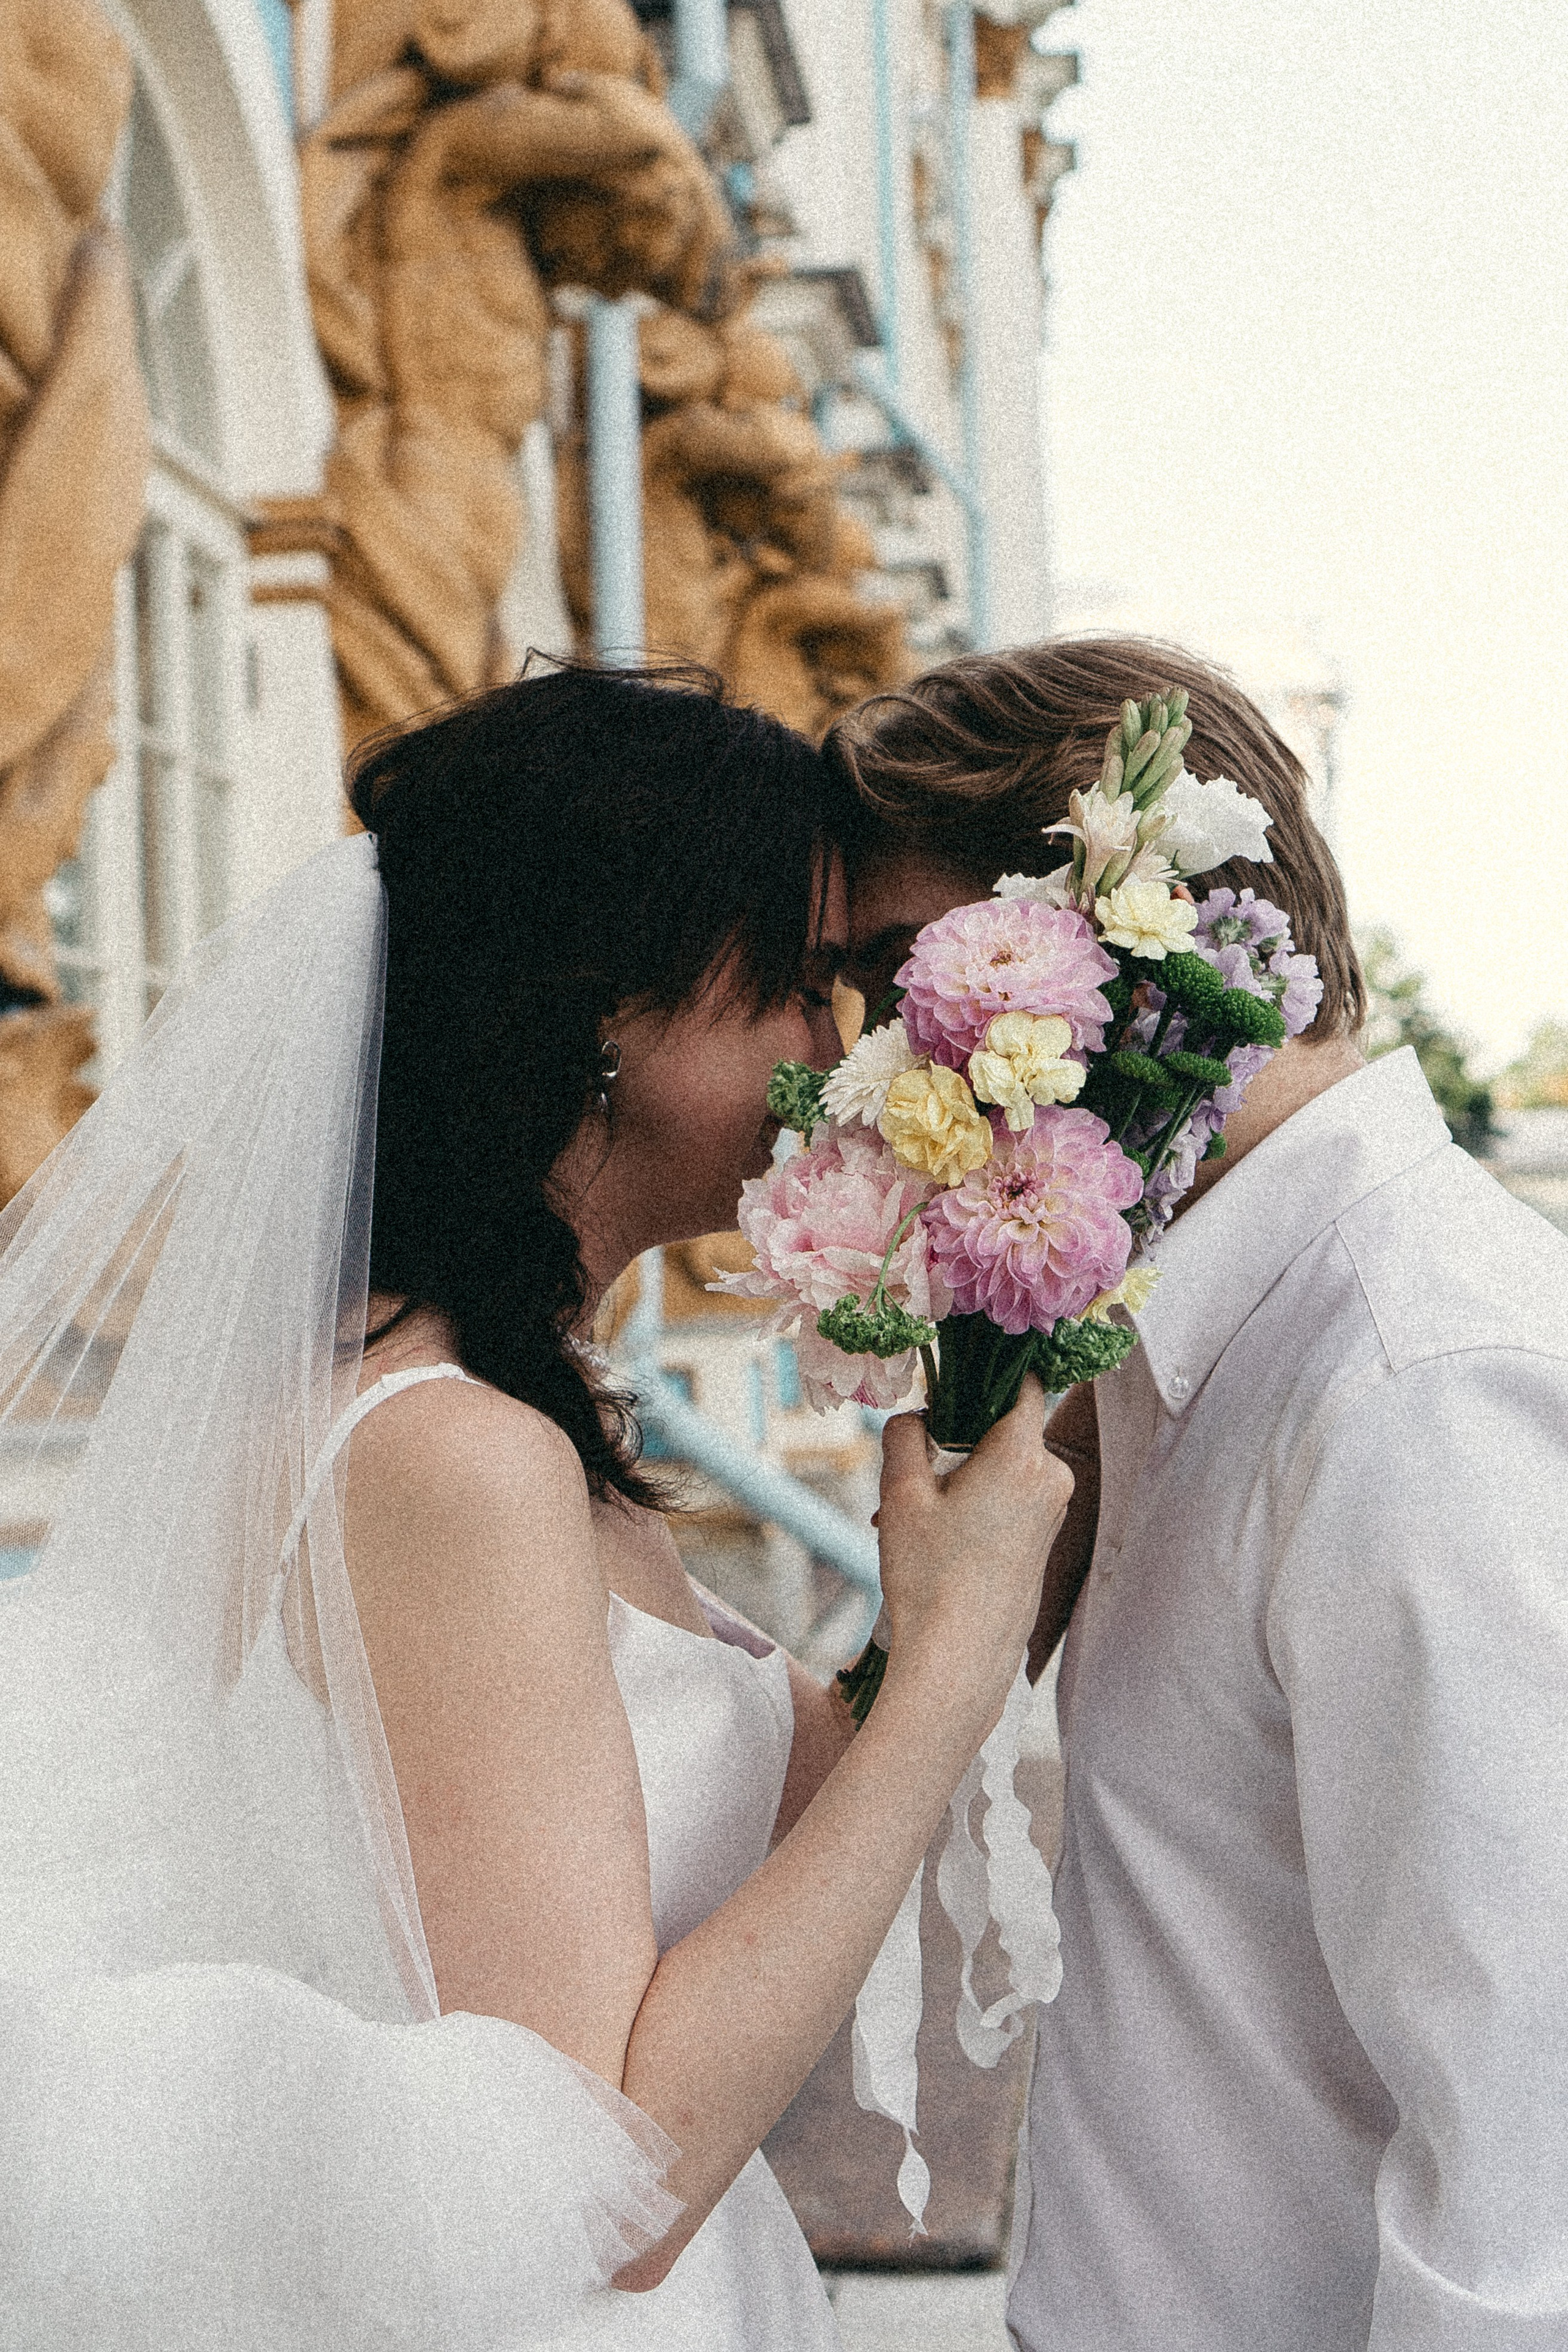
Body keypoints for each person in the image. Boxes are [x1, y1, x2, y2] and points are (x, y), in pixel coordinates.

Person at [0, 662, 1073, 2349]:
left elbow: (807, 1810)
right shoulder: (448, 1453)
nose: (840, 1049)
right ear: (607, 1007)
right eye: (800, 983)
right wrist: (948, 1663)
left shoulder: (518, 1407)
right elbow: (600, 2179)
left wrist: (1027, 1379)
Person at [829, 636, 1568, 2350]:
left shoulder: (1423, 1384)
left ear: (1111, 956)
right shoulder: (1177, 1343)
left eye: (894, 977)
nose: (868, 1071)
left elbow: (1530, 2185)